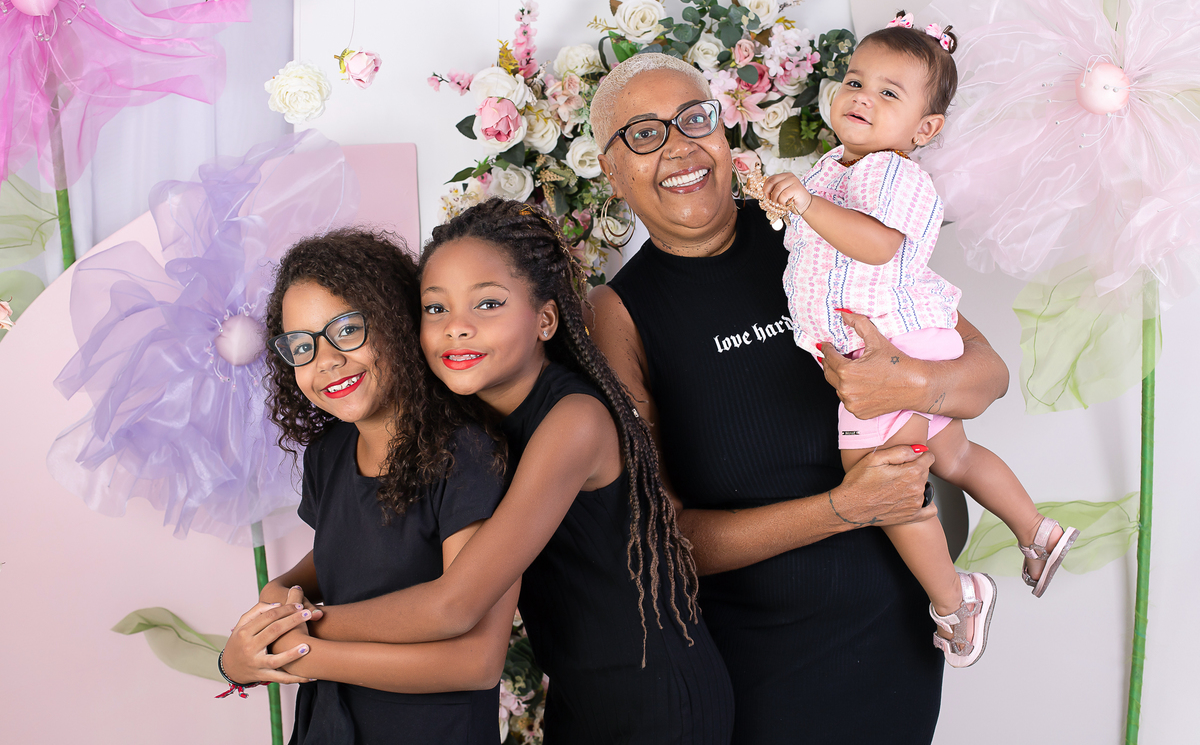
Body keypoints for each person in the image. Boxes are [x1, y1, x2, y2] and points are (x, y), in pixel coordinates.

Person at [588, 50, 1009, 743]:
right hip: (758, 668)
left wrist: (910, 382)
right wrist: (845, 508)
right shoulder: (619, 314)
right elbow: (662, 542)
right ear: (611, 169)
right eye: (644, 133)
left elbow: (988, 375)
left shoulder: (823, 226)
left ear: (724, 133)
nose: (679, 147)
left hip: (899, 641)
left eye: (695, 119)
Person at [278, 200, 734, 744]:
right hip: (577, 694)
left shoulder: (574, 421)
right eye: (436, 308)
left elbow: (456, 603)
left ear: (545, 319)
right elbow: (367, 533)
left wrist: (298, 625)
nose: (457, 328)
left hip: (657, 700)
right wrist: (283, 589)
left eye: (488, 303)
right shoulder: (467, 419)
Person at [744, 13, 1078, 667]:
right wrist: (788, 202)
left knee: (882, 483)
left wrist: (806, 206)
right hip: (913, 340)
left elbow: (879, 246)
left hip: (892, 348)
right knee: (953, 455)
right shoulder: (834, 169)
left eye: (889, 92)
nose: (862, 97)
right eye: (854, 81)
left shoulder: (892, 175)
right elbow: (816, 249)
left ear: (925, 130)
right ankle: (1037, 529)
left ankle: (957, 598)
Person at [218, 230, 521, 744]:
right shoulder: (328, 455)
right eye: (303, 346)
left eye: (347, 330)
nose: (326, 360)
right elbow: (335, 566)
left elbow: (475, 663)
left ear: (396, 319)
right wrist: (271, 608)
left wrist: (303, 648)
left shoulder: (467, 453)